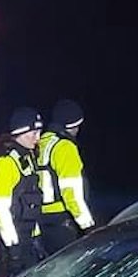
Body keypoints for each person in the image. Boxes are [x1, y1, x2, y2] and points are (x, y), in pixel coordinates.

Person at [0, 106, 47, 276]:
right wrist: (13, 247)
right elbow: (0, 208)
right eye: (33, 133)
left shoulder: (26, 157)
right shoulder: (5, 162)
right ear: (19, 133)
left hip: (27, 237)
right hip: (10, 244)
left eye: (39, 132)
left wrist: (36, 237)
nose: (38, 138)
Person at [36, 99, 95, 255]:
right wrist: (88, 226)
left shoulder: (43, 142)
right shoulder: (65, 148)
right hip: (62, 220)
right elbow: (71, 193)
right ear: (74, 125)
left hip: (41, 219)